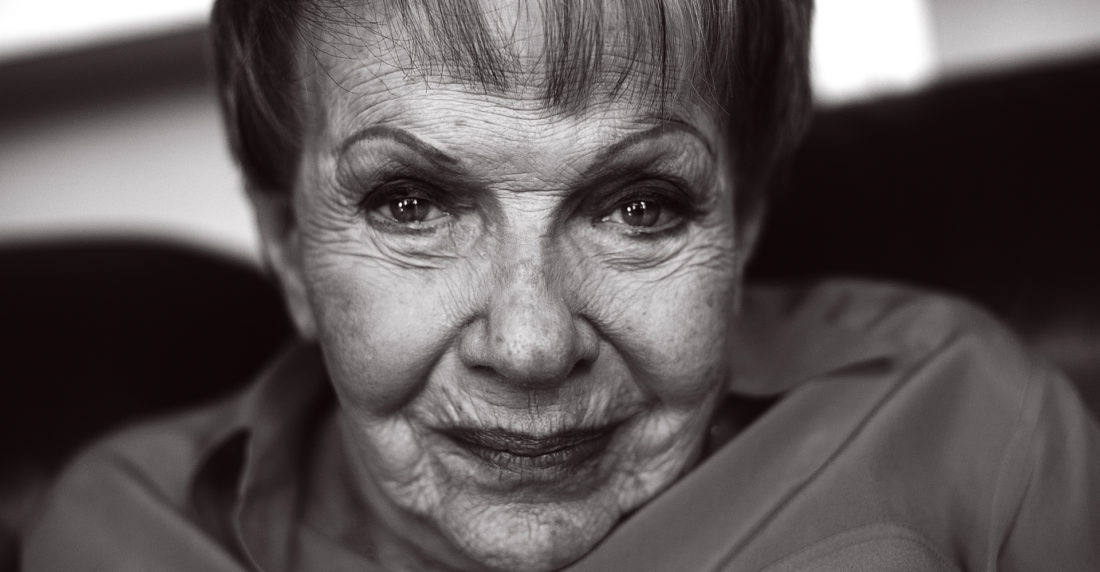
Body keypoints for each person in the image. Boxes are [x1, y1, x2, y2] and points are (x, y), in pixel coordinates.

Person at [22, 0, 1100, 570]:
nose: (531, 345)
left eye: (640, 206)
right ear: (290, 248)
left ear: (743, 227)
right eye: (410, 203)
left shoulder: (967, 419)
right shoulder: (126, 535)